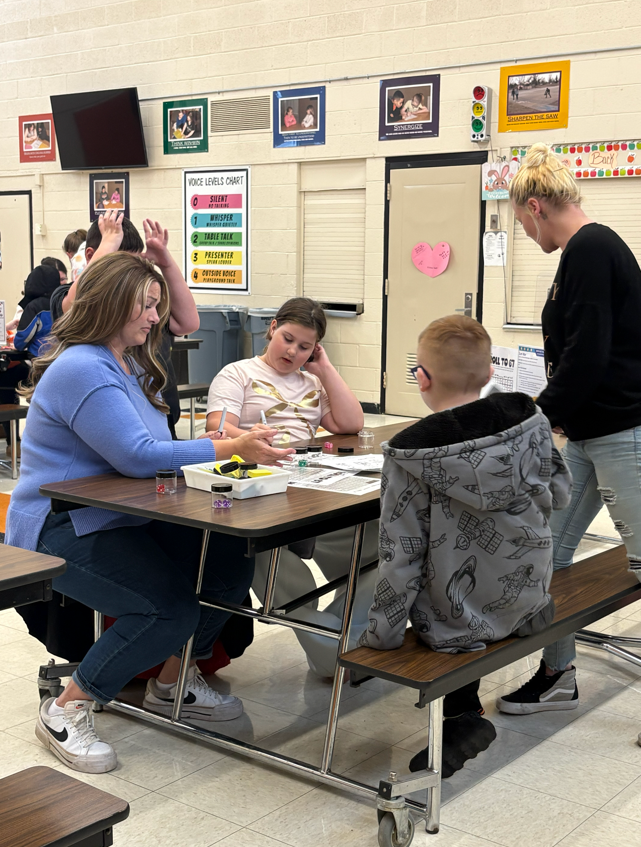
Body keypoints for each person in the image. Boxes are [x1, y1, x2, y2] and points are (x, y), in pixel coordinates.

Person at [6, 252, 294, 774]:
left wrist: (212, 441)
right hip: (61, 522)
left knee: (229, 563)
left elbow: (150, 444)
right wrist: (227, 450)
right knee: (167, 608)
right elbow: (136, 455)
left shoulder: (128, 361)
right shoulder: (82, 367)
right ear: (112, 304)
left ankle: (173, 682)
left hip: (122, 512)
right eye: (146, 306)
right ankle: (66, 708)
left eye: (156, 306)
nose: (154, 318)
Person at [358, 315, 572, 777]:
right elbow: (559, 494)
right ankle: (462, 712)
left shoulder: (409, 458)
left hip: (457, 626)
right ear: (490, 373)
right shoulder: (533, 424)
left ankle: (460, 717)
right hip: (530, 600)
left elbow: (402, 553)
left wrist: (383, 636)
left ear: (422, 377)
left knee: (443, 590)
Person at [497, 144, 641, 738]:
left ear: (535, 207)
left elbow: (587, 355)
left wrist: (536, 418)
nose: (525, 234)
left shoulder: (590, 248)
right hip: (589, 433)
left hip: (622, 432)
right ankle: (559, 674)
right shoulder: (586, 251)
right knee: (545, 552)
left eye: (520, 222)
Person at [206, 297, 375, 677]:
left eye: (305, 347)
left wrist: (326, 367)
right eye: (287, 339)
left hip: (310, 484)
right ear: (272, 328)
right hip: (258, 487)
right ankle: (333, 654)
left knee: (380, 544)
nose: (293, 352)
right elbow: (216, 429)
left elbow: (350, 424)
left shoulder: (312, 381)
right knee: (271, 559)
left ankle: (343, 631)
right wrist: (253, 438)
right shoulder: (238, 374)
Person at [51, 211, 194, 439]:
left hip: (160, 417)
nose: (132, 275)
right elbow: (73, 304)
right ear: (92, 255)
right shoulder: (73, 296)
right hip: (118, 426)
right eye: (121, 265)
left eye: (136, 264)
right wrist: (107, 244)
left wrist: (165, 264)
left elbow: (187, 322)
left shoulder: (145, 303)